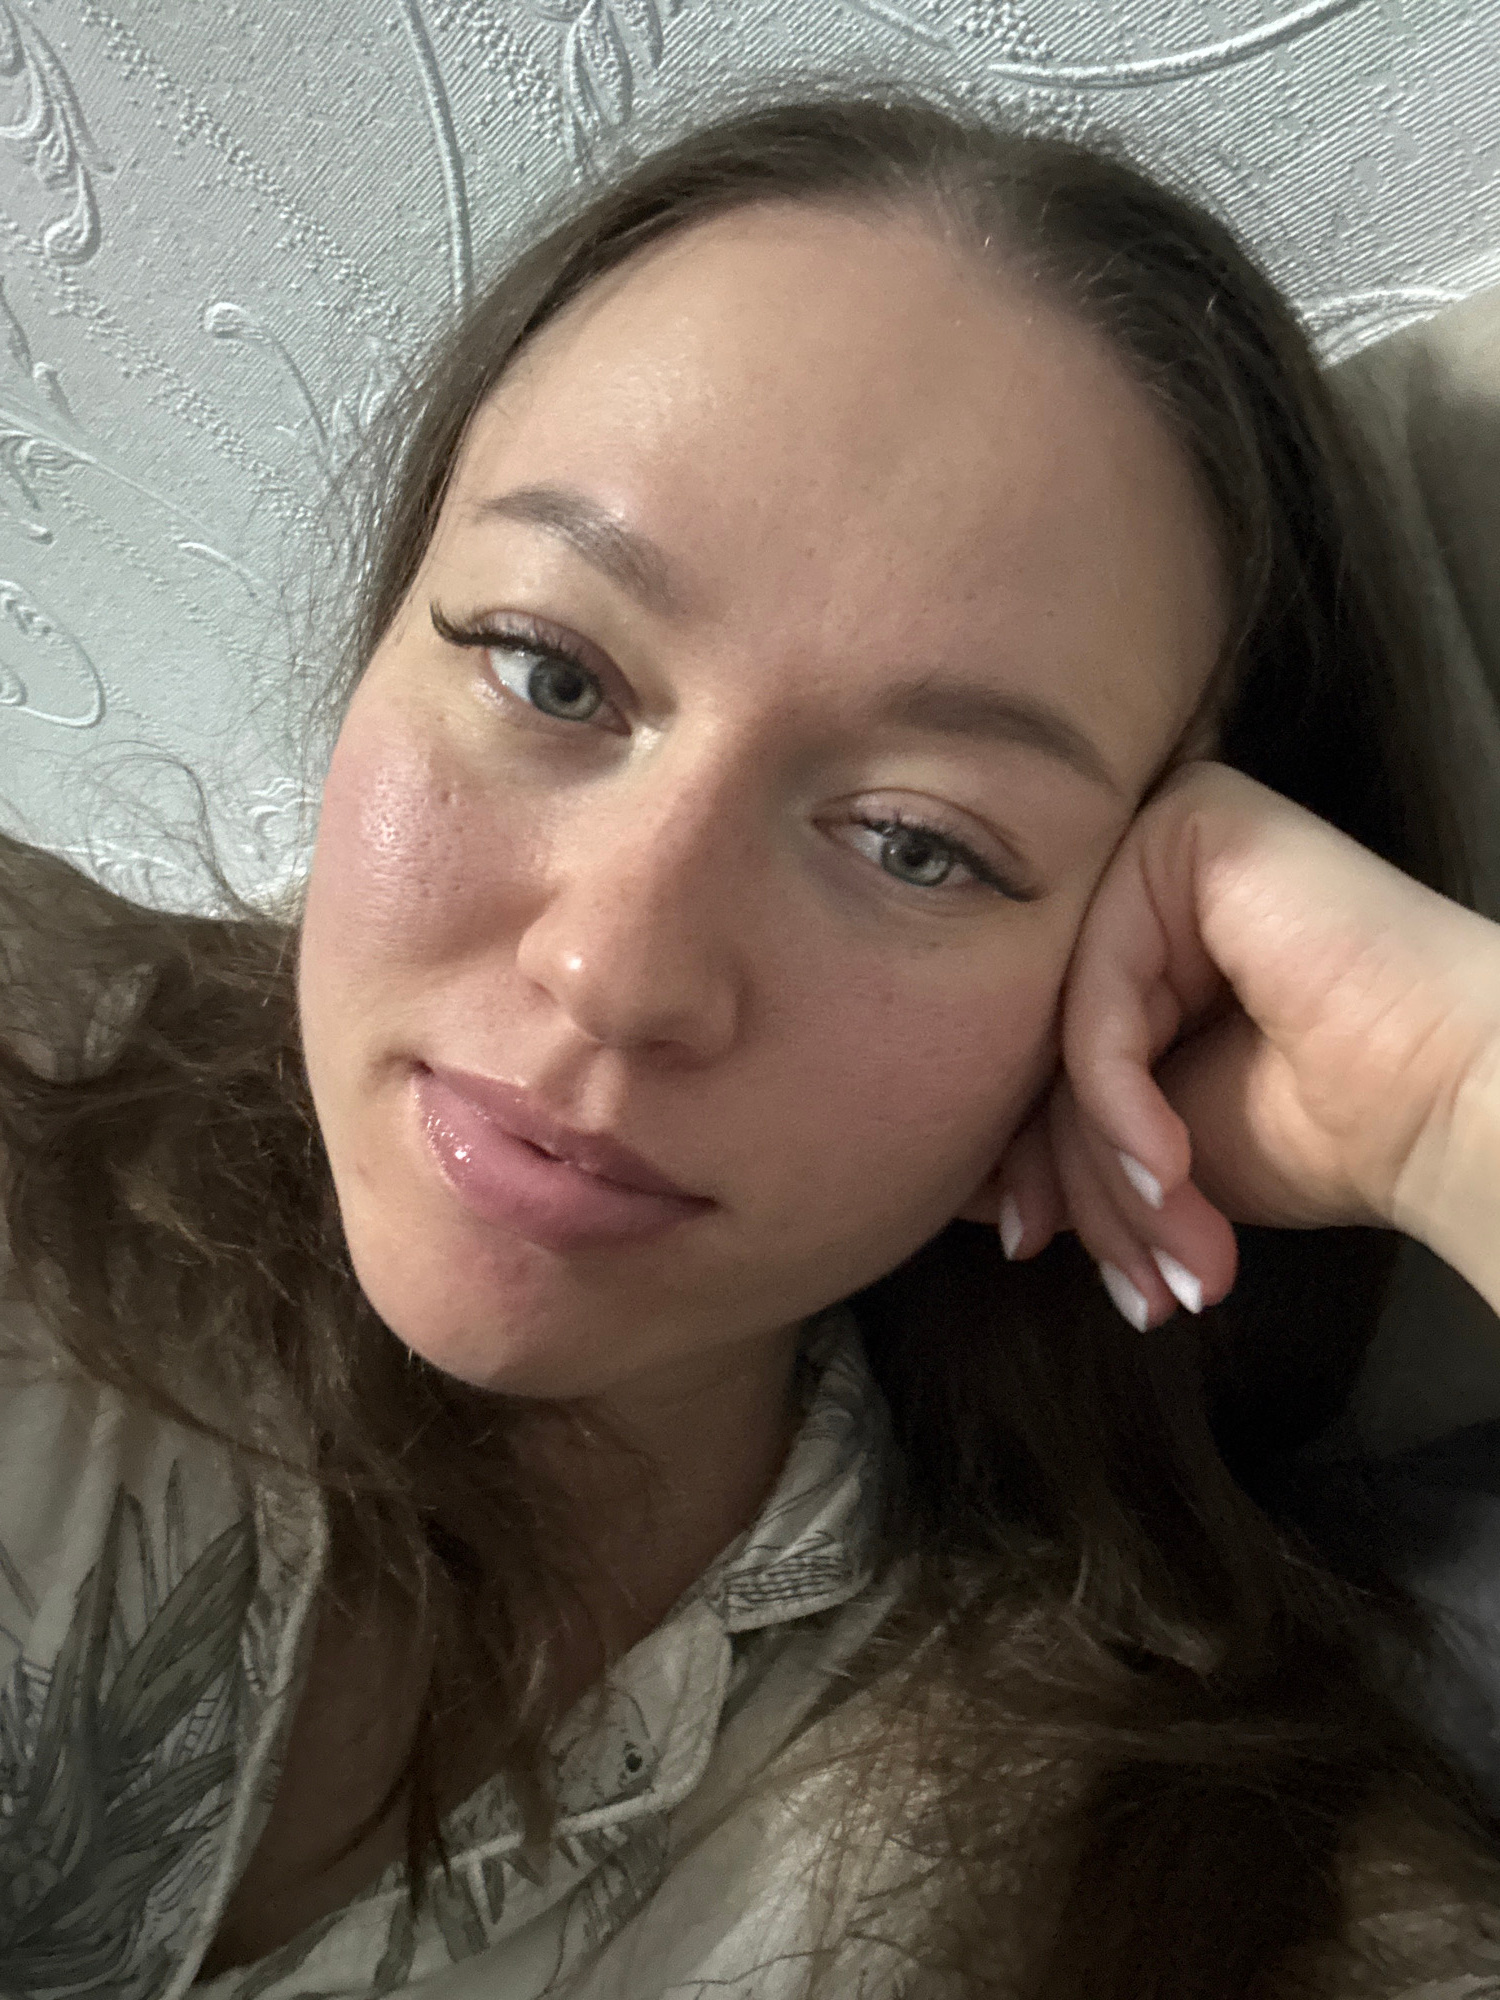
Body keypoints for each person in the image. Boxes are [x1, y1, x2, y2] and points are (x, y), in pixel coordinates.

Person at [2, 80, 1500, 2000]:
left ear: (1149, 971)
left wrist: (1453, 1097)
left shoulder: (1155, 1880)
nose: (617, 973)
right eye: (549, 670)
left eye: (917, 843)